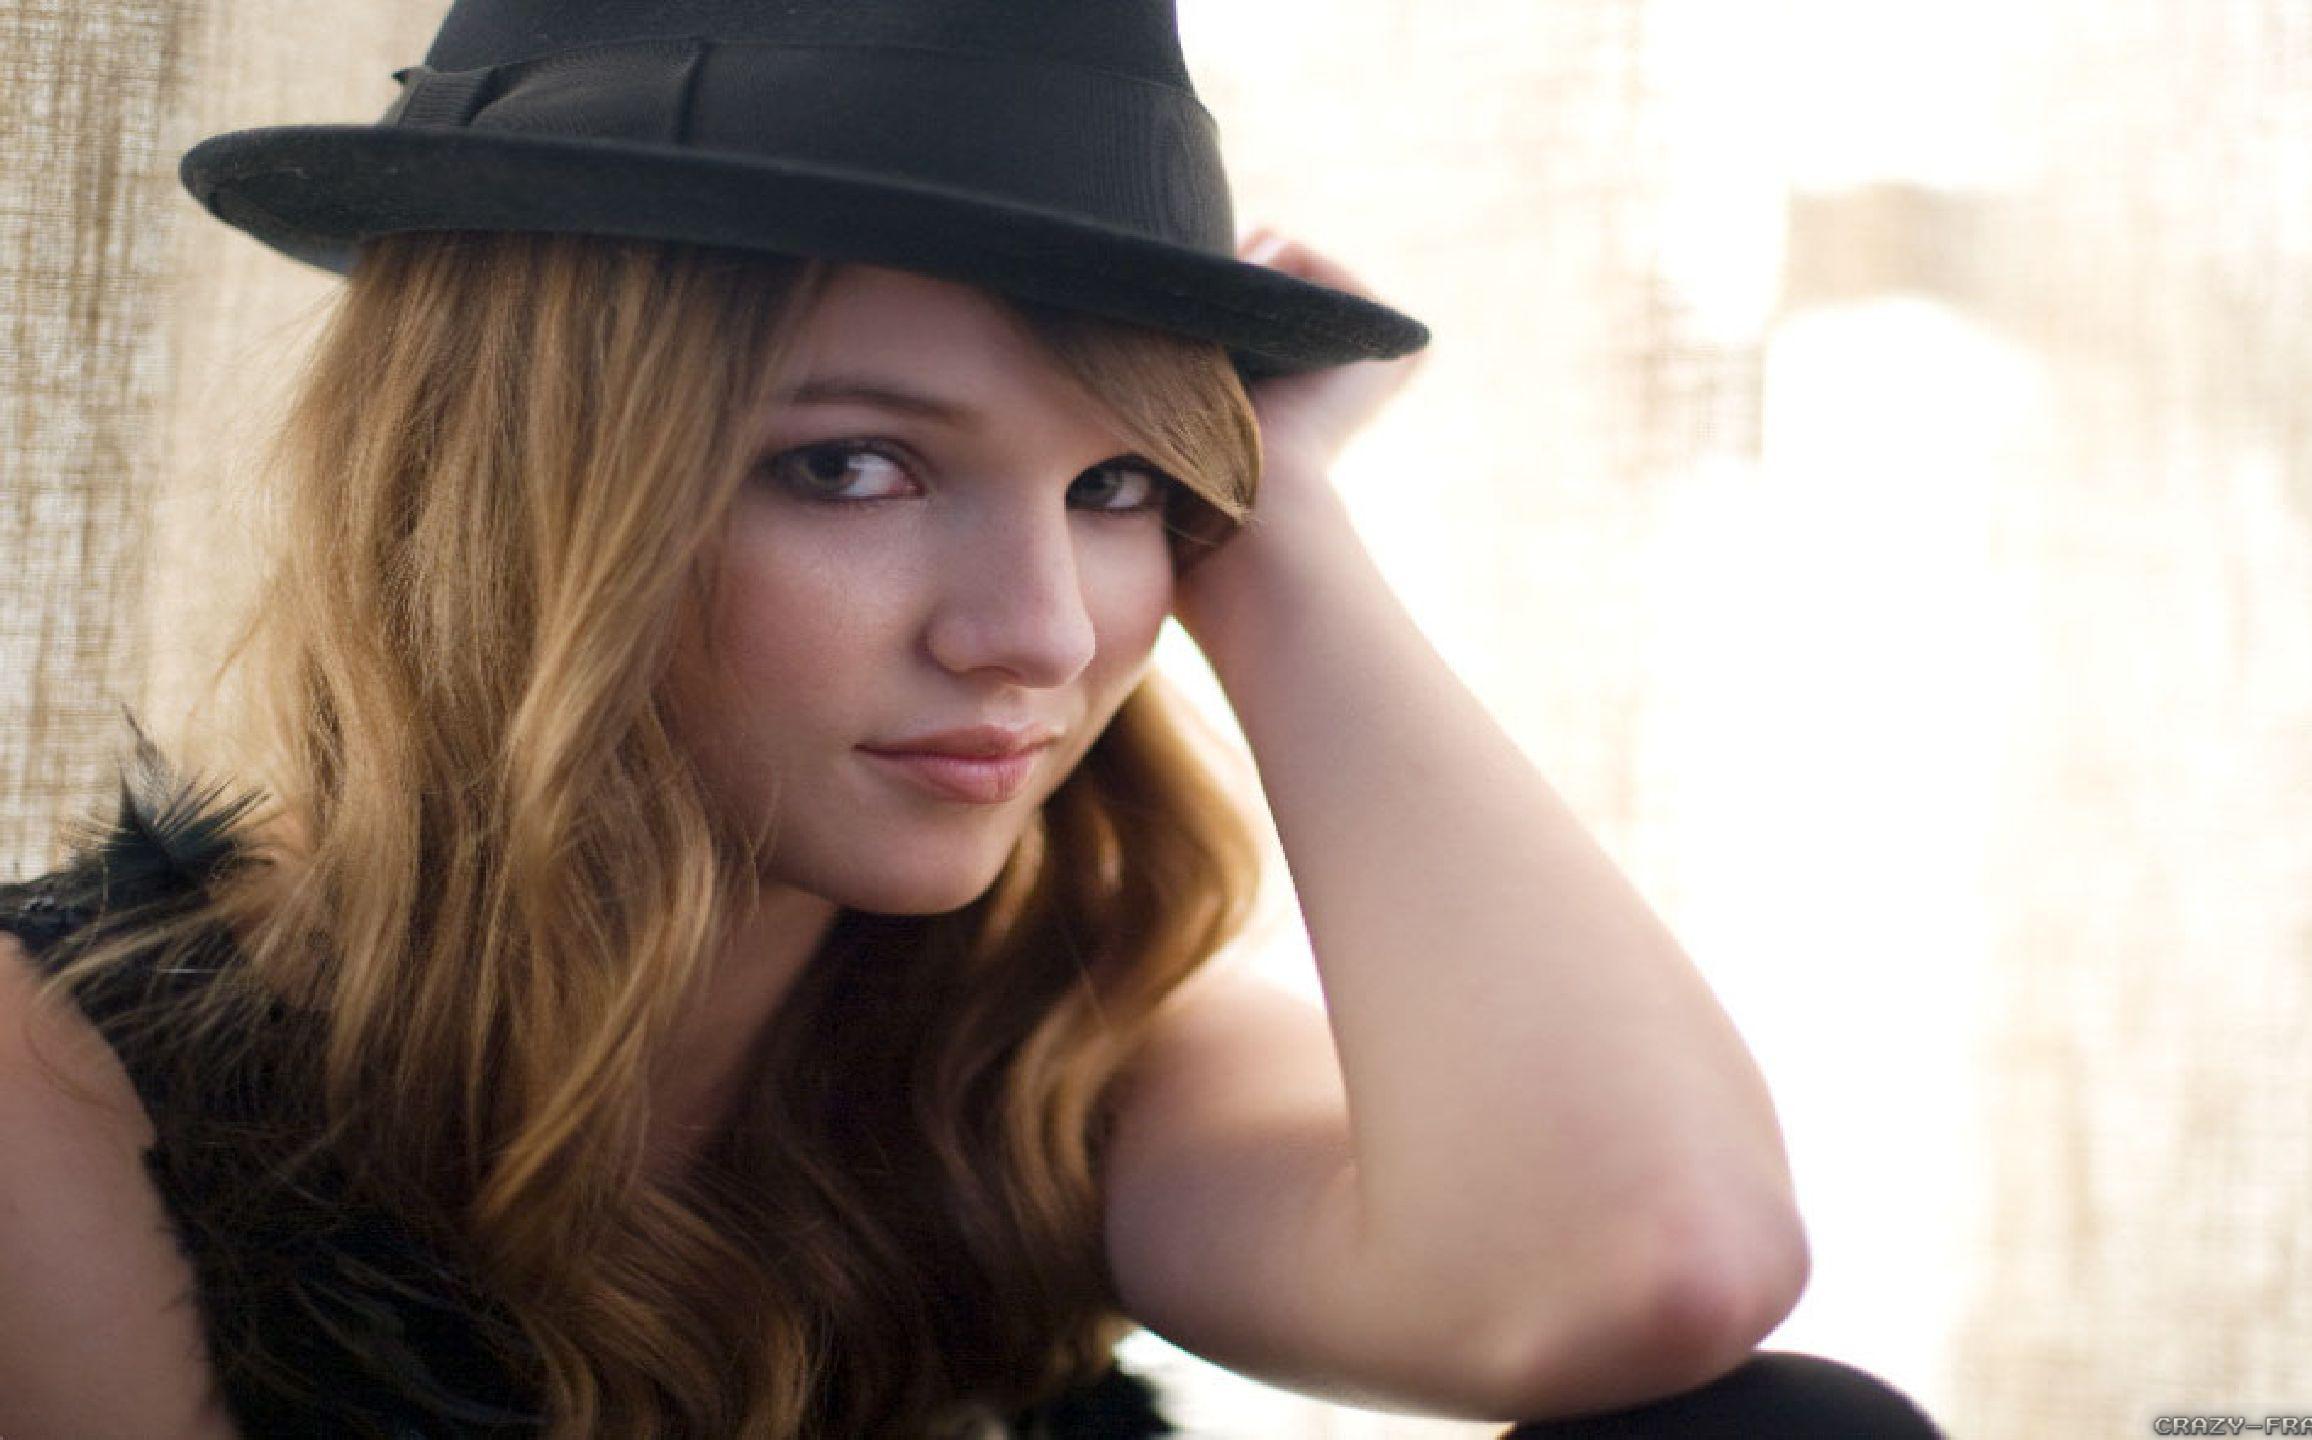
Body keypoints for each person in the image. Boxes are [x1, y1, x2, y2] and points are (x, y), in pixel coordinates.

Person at [0, 1, 1944, 1436]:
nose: (1036, 637)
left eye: (1117, 489)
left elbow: (1648, 1264)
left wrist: (1279, 528)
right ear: (511, 493)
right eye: (852, 466)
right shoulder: (60, 1091)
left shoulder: (1036, 1051)